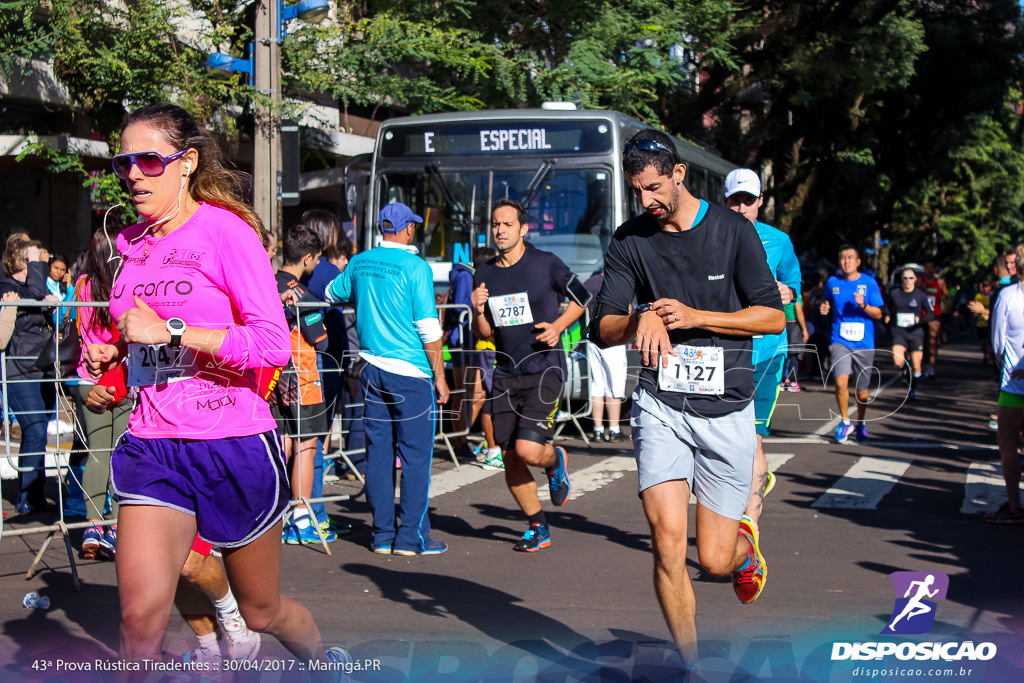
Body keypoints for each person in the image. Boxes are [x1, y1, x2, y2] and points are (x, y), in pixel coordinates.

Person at [84, 102, 343, 665]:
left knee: (261, 612)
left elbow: (272, 345)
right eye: (123, 162)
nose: (132, 173)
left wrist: (173, 329)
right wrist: (116, 364)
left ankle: (324, 666)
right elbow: (144, 341)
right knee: (138, 616)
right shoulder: (129, 244)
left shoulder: (227, 232)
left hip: (234, 442)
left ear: (186, 163)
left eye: (148, 160)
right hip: (154, 445)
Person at [591, 130, 784, 665]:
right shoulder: (631, 239)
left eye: (654, 188)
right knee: (667, 543)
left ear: (678, 174)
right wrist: (641, 319)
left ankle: (745, 546)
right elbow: (603, 324)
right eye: (637, 192)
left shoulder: (732, 231)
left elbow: (772, 316)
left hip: (726, 409)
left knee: (716, 561)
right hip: (661, 405)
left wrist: (699, 318)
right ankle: (691, 664)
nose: (647, 201)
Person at [325, 201, 450, 556]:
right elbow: (428, 329)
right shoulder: (416, 267)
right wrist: (440, 377)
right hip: (411, 373)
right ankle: (411, 537)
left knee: (378, 455)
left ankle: (381, 535)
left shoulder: (361, 262)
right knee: (415, 459)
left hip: (371, 369)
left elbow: (333, 292)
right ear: (408, 228)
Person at [470, 199, 589, 552]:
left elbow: (582, 298)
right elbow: (485, 332)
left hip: (544, 368)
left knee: (528, 449)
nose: (500, 230)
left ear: (524, 229)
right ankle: (538, 525)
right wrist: (476, 309)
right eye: (495, 224)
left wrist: (558, 326)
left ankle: (555, 461)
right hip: (506, 372)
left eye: (507, 224)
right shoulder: (484, 272)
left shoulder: (546, 263)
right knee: (509, 456)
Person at [723, 168, 801, 519]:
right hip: (724, 351)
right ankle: (752, 482)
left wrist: (790, 293)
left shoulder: (779, 242)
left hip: (767, 351)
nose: (741, 208)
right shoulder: (709, 239)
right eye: (735, 201)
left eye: (748, 201)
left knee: (752, 436)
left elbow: (793, 285)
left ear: (760, 202)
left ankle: (747, 526)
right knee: (727, 439)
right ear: (724, 202)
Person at [273, 224, 336, 545]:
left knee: (281, 445)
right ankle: (301, 517)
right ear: (308, 258)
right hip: (302, 377)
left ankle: (280, 513)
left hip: (271, 378)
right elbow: (320, 341)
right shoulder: (302, 294)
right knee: (306, 447)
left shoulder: (265, 284)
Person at [74, 227, 132, 557]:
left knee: (97, 453)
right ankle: (116, 526)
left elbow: (80, 331)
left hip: (87, 376)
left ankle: (92, 530)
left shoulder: (82, 286)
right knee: (118, 452)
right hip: (118, 375)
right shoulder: (124, 287)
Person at [0, 235, 60, 514]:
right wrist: (37, 268)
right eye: (34, 259)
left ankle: (33, 493)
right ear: (22, 259)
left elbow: (38, 299)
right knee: (34, 427)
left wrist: (50, 304)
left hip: (42, 366)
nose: (40, 263)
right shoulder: (6, 285)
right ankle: (27, 497)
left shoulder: (32, 287)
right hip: (19, 369)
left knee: (37, 431)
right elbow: (33, 295)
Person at [820, 245, 884, 443]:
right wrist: (824, 307)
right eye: (842, 258)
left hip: (864, 343)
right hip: (840, 341)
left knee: (862, 390)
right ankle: (845, 421)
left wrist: (864, 305)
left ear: (858, 262)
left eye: (850, 258)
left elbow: (879, 313)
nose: (846, 261)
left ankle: (861, 422)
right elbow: (826, 302)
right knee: (840, 382)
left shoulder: (869, 283)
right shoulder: (832, 282)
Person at [986, 243, 1024, 524]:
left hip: (1013, 383)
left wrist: (1006, 364)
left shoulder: (1008, 295)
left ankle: (1014, 504)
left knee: (1007, 441)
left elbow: (997, 343)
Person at [584, 266, 627, 443]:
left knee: (597, 385)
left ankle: (598, 430)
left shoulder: (590, 282)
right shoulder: (619, 284)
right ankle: (615, 429)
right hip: (614, 339)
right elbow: (629, 310)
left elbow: (581, 305)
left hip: (592, 338)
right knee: (614, 386)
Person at [885, 267, 929, 400]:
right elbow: (887, 307)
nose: (908, 281)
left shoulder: (921, 296)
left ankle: (912, 388)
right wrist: (887, 316)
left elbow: (931, 313)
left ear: (915, 279)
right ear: (902, 280)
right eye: (905, 278)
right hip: (899, 332)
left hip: (915, 333)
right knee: (898, 361)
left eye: (911, 278)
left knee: (917, 365)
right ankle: (905, 369)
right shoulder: (895, 294)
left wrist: (920, 320)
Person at [918, 261, 948, 379]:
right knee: (923, 342)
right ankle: (923, 365)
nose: (929, 270)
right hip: (922, 314)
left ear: (934, 269)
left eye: (931, 268)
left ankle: (931, 367)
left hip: (935, 314)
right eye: (927, 268)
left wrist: (942, 297)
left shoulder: (940, 282)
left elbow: (946, 295)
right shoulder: (919, 281)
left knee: (932, 341)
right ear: (924, 269)